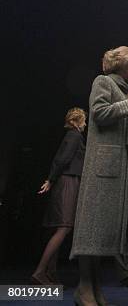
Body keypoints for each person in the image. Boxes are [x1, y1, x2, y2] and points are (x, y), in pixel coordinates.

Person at [70, 46, 128, 306]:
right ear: (121, 62)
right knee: (92, 230)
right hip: (102, 169)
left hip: (118, 170)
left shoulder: (124, 89)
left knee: (105, 234)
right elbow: (99, 114)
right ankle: (84, 287)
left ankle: (95, 288)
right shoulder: (103, 82)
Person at [31, 107, 86, 285]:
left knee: (58, 227)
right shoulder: (75, 136)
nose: (85, 124)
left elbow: (59, 159)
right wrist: (51, 179)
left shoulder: (70, 136)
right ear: (75, 122)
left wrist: (51, 179)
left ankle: (50, 273)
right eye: (83, 121)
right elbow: (63, 160)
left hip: (63, 181)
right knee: (64, 227)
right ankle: (40, 272)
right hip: (68, 182)